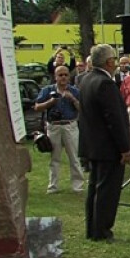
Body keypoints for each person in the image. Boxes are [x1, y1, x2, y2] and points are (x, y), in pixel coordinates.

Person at [78, 44, 130, 242]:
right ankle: (102, 231)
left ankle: (92, 228)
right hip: (107, 146)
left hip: (92, 144)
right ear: (109, 62)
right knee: (107, 191)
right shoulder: (105, 84)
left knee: (95, 187)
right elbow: (115, 119)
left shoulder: (85, 80)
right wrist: (124, 148)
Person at [34, 66, 85, 194]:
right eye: (60, 75)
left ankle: (77, 186)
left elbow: (82, 109)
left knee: (74, 157)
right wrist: (50, 102)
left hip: (70, 125)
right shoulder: (47, 90)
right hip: (54, 126)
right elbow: (37, 107)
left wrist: (72, 99)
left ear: (69, 76)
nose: (63, 78)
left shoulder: (74, 91)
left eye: (65, 75)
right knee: (54, 158)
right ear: (55, 77)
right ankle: (53, 186)